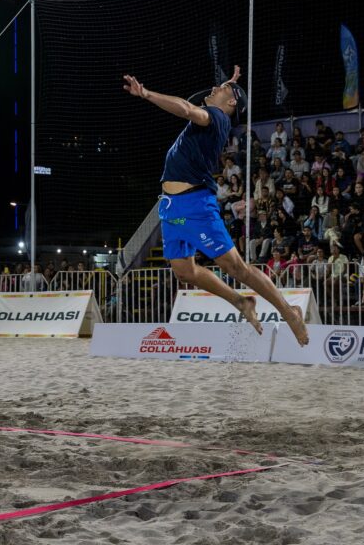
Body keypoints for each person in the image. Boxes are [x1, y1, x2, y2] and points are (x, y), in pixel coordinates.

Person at [123, 65, 308, 345]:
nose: (214, 88)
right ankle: (240, 302)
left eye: (221, 89)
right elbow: (201, 97)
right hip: (171, 207)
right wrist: (227, 85)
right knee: (184, 271)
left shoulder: (219, 118)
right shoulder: (215, 112)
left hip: (195, 204)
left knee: (237, 268)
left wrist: (146, 93)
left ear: (231, 102)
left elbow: (186, 107)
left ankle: (289, 311)